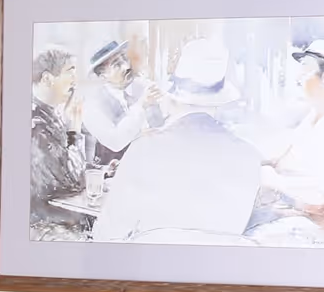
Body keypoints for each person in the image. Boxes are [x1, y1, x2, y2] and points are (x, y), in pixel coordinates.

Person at [92, 37, 262, 245]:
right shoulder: (249, 156)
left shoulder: (145, 149)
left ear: (172, 95)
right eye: (117, 64)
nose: (127, 67)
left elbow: (107, 235)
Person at [253, 37, 324, 239]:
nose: (298, 78)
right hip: (293, 212)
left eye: (306, 69)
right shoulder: (312, 117)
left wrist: (276, 182)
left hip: (314, 228)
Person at [81, 38, 159, 166]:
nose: (127, 66)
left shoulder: (133, 94)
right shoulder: (92, 107)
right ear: (102, 76)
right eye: (117, 65)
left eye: (124, 59)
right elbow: (116, 142)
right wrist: (142, 105)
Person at [29, 46, 85, 212]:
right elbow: (73, 180)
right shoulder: (36, 124)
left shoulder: (52, 114)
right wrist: (74, 130)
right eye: (70, 72)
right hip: (47, 221)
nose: (75, 81)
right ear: (47, 79)